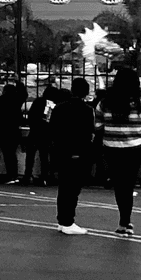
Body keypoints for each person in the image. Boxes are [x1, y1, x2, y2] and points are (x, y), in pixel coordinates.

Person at [97, 66, 141, 237]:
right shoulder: (140, 104)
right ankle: (126, 221)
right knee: (129, 184)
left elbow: (97, 125)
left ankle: (123, 222)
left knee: (119, 185)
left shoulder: (104, 103)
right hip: (134, 148)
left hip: (111, 147)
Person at [48, 76, 97, 234]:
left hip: (62, 150)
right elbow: (89, 132)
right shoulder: (87, 110)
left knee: (63, 187)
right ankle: (68, 221)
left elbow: (52, 129)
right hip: (79, 151)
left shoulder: (59, 108)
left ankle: (62, 220)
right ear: (86, 92)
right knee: (73, 188)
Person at [0, 80, 25, 183]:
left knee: (7, 155)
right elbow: (24, 94)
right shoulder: (16, 102)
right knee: (12, 154)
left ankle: (11, 175)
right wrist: (19, 82)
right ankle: (14, 175)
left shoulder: (0, 103)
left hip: (3, 131)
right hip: (14, 131)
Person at [24, 80, 58, 186]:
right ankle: (44, 177)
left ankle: (27, 175)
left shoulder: (38, 101)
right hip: (46, 133)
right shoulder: (54, 105)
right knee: (44, 156)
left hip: (34, 131)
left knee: (30, 156)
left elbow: (31, 115)